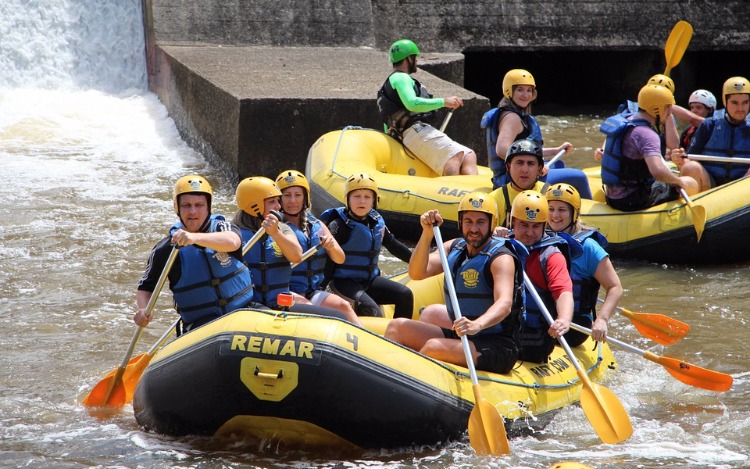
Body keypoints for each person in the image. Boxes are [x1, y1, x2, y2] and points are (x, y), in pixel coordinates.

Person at [384, 192, 525, 374]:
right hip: (463, 335)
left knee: (433, 347)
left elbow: (504, 303)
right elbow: (417, 272)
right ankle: (391, 380)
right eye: (468, 222)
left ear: (492, 223)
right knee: (397, 328)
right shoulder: (454, 248)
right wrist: (427, 234)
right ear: (460, 223)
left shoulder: (501, 258)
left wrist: (478, 325)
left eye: (480, 222)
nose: (473, 229)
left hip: (497, 344)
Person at [134, 174, 255, 334]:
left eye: (199, 205)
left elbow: (233, 242)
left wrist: (193, 238)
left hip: (244, 312)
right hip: (201, 326)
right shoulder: (166, 249)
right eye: (186, 205)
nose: (192, 211)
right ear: (177, 207)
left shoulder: (223, 228)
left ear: (208, 207)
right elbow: (146, 287)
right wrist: (143, 310)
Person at [234, 176, 349, 320]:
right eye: (273, 201)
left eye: (278, 200)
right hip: (251, 304)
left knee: (339, 314)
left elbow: (296, 256)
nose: (278, 206)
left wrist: (275, 233)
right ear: (254, 205)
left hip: (281, 300)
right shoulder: (234, 232)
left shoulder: (284, 228)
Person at [481, 68, 592, 198]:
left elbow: (525, 150)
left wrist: (556, 151)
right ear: (509, 91)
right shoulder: (512, 118)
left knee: (559, 164)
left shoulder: (515, 115)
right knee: (579, 177)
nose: (526, 94)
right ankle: (584, 215)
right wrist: (535, 169)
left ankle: (555, 203)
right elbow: (501, 149)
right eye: (520, 90)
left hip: (512, 176)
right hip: (511, 180)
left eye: (529, 90)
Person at [376, 38, 478, 176]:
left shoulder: (392, 83)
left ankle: (470, 193)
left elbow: (387, 120)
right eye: (415, 57)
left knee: (468, 155)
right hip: (413, 131)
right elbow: (411, 103)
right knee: (454, 155)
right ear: (409, 59)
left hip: (413, 132)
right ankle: (452, 194)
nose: (417, 61)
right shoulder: (401, 78)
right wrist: (444, 102)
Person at [319, 173, 414, 319]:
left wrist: (418, 262)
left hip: (369, 281)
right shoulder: (339, 225)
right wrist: (319, 289)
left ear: (374, 201)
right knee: (371, 309)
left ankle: (399, 335)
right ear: (348, 199)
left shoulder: (376, 222)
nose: (362, 201)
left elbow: (393, 245)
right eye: (356, 196)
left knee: (405, 294)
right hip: (344, 283)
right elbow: (328, 261)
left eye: (367, 197)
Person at [275, 169, 362, 326]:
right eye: (287, 195)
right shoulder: (275, 228)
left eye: (298, 195)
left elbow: (340, 258)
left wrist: (331, 247)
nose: (292, 200)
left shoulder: (317, 225)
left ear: (305, 198)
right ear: (279, 199)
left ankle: (366, 344)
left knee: (344, 306)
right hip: (286, 292)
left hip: (311, 291)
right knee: (312, 312)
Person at [600, 84, 699, 211]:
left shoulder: (628, 121)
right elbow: (657, 171)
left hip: (612, 196)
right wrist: (679, 182)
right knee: (691, 182)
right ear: (656, 109)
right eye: (668, 107)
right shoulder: (647, 134)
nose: (670, 112)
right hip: (632, 199)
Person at [545, 183, 623, 344]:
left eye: (562, 209)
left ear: (574, 213)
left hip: (575, 323)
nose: (555, 215)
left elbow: (615, 287)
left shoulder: (588, 247)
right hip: (545, 316)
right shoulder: (541, 239)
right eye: (551, 209)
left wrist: (602, 319)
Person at [510, 190, 575, 363]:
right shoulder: (501, 246)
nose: (530, 232)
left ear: (544, 226)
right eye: (524, 225)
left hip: (532, 341)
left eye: (536, 226)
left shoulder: (551, 256)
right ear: (512, 222)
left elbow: (563, 292)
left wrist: (563, 319)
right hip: (498, 331)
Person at [674, 76, 750, 192]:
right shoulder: (709, 126)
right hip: (710, 183)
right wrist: (680, 160)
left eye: (745, 103)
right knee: (691, 167)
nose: (740, 108)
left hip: (742, 187)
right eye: (734, 103)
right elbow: (690, 158)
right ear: (725, 102)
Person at [488, 139, 548, 232]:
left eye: (531, 163)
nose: (524, 169)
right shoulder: (493, 199)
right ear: (508, 167)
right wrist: (492, 233)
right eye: (519, 163)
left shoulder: (549, 194)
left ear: (540, 169)